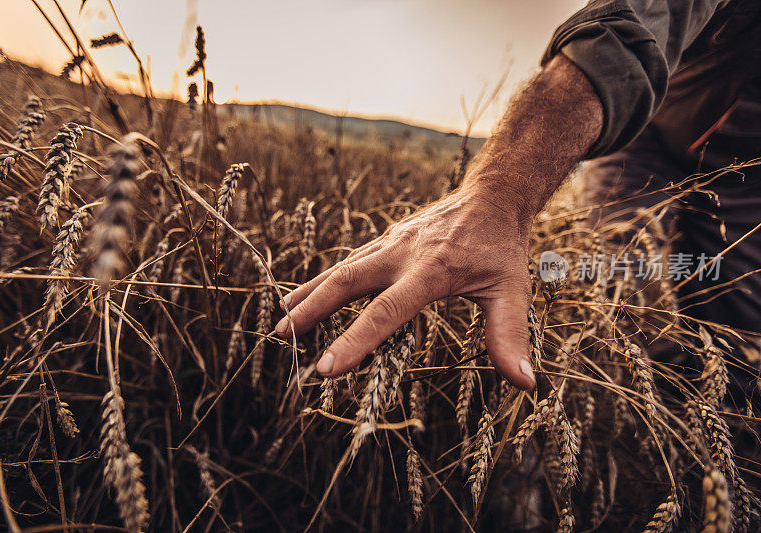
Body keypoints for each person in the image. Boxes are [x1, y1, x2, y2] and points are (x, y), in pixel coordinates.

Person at [274, 0, 761, 390]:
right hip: (647, 130)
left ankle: (713, 454)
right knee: (605, 283)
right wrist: (495, 199)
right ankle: (590, 403)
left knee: (735, 332)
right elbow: (628, 30)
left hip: (752, 174)